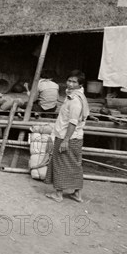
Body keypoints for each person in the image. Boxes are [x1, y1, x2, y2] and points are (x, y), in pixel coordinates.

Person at [45, 70, 90, 203]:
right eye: (69, 81)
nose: (70, 84)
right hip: (76, 138)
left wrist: (65, 140)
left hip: (67, 137)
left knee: (60, 164)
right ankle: (77, 194)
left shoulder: (75, 100)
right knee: (75, 165)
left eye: (74, 82)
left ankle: (58, 195)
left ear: (80, 84)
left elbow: (73, 122)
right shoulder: (75, 96)